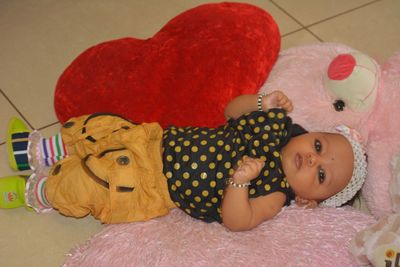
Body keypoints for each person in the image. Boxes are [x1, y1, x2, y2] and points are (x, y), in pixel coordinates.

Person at [0, 91, 368, 231]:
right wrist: (262, 103)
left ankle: (36, 192)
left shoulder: (275, 192)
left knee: (90, 184)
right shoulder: (275, 126)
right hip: (154, 139)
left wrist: (239, 183)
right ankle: (36, 150)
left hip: (151, 187)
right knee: (98, 127)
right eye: (319, 144)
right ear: (310, 133)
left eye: (321, 174)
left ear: (308, 199)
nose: (312, 158)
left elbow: (238, 222)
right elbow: (231, 110)